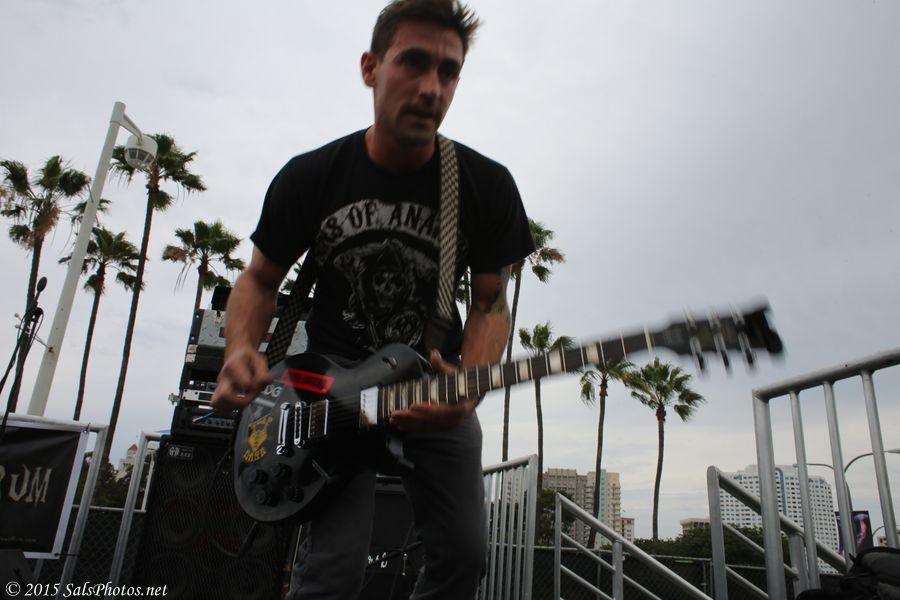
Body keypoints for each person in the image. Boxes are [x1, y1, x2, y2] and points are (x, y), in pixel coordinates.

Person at [211, 0, 534, 597]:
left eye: (449, 71)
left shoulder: (485, 186)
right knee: (331, 573)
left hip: (428, 388)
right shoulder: (312, 176)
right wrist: (239, 349)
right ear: (370, 68)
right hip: (328, 397)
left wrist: (470, 386)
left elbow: (490, 304)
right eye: (414, 62)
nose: (432, 87)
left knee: (464, 558)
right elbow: (258, 279)